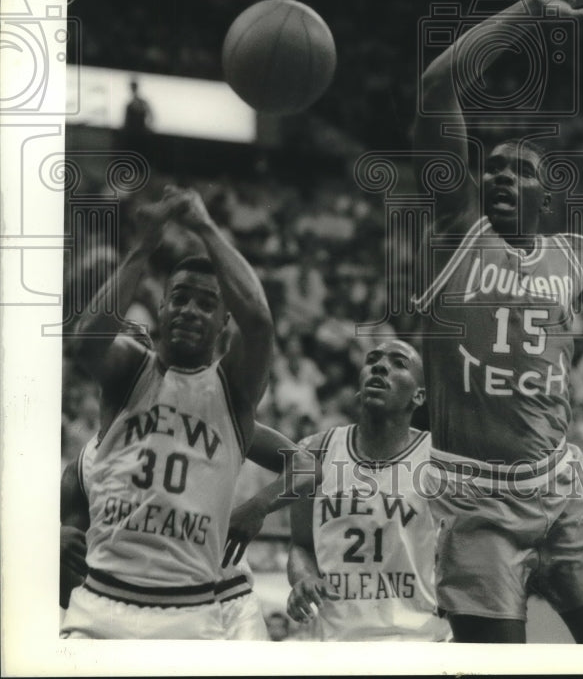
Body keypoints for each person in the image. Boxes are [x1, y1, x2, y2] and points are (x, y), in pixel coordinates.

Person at [412, 0, 583, 644]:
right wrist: (530, 14)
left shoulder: (577, 256)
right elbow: (436, 85)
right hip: (475, 495)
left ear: (546, 195)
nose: (501, 175)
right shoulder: (457, 230)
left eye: (521, 170)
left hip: (562, 483)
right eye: (493, 166)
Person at [60, 184, 274, 639]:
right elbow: (84, 342)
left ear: (223, 322)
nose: (190, 310)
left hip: (189, 612)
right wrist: (142, 249)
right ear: (161, 307)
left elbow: (258, 320)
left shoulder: (232, 390)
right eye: (179, 298)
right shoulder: (128, 369)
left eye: (206, 302)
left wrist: (204, 227)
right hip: (102, 603)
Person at [230, 339, 450, 641]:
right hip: (338, 640)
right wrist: (304, 578)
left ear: (419, 395)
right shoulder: (315, 451)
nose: (380, 366)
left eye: (399, 363)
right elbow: (302, 545)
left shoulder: (438, 458)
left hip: (419, 639)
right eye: (372, 360)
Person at [60, 420, 317, 640]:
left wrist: (259, 505)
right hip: (142, 617)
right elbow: (69, 581)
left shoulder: (213, 418)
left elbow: (307, 465)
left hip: (227, 603)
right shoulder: (83, 467)